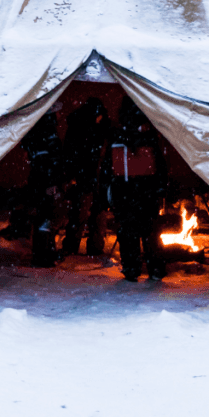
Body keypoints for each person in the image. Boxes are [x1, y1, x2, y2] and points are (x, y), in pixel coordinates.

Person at [108, 97, 167, 281]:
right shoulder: (150, 135)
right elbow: (161, 164)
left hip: (128, 189)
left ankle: (134, 268)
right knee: (148, 232)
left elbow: (107, 165)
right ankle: (152, 268)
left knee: (131, 232)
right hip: (142, 190)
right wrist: (160, 187)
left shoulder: (117, 135)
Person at [62, 97, 111, 256]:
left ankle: (81, 247)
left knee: (87, 213)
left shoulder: (82, 127)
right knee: (84, 213)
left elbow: (70, 153)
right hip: (89, 177)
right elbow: (71, 153)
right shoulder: (89, 128)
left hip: (92, 177)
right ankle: (80, 247)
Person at [21, 110, 66, 268]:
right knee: (46, 218)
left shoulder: (34, 133)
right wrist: (52, 182)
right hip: (45, 182)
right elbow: (53, 160)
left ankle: (42, 253)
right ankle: (43, 255)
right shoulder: (49, 134)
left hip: (38, 181)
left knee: (42, 218)